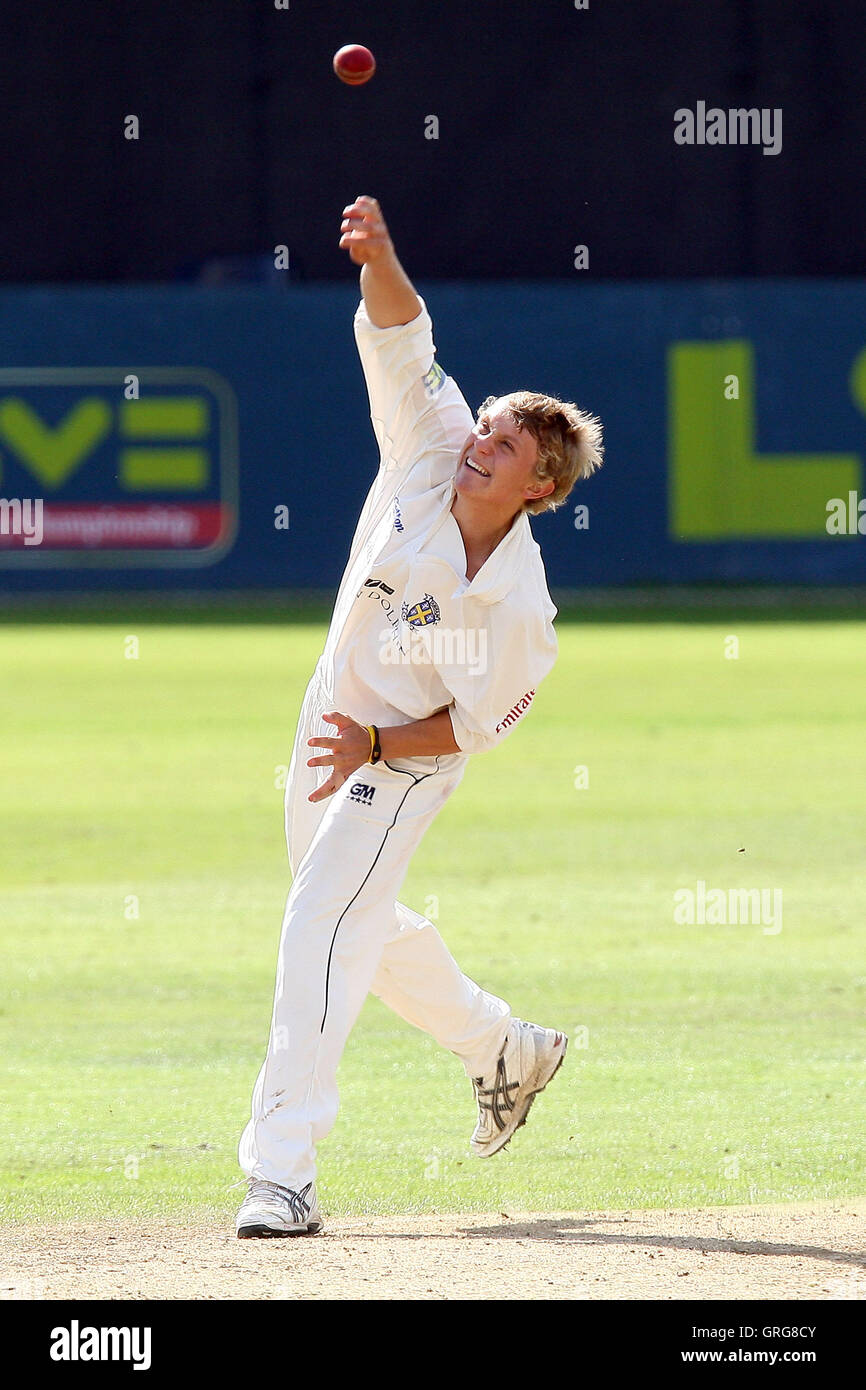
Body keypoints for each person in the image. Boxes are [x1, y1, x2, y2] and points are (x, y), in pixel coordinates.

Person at [235, 195, 604, 1237]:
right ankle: (504, 1047)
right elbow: (403, 333)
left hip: (401, 761)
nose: (481, 442)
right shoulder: (429, 442)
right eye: (487, 424)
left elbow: (477, 728)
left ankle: (281, 1171)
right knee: (360, 926)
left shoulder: (518, 609)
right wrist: (381, 253)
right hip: (330, 715)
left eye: (507, 444)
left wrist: (378, 744)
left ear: (538, 486)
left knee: (318, 925)